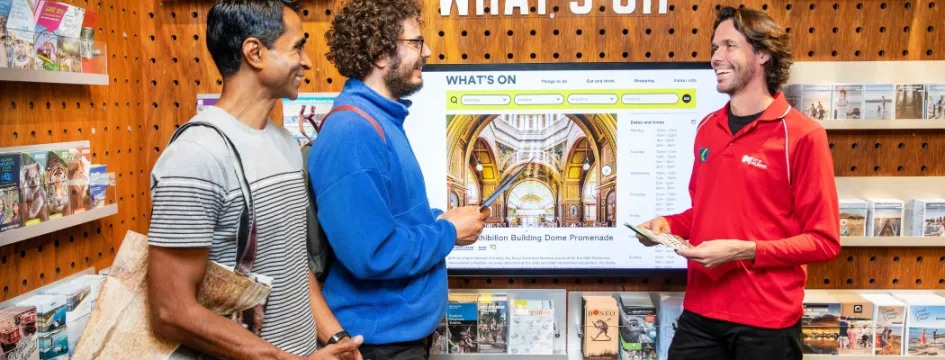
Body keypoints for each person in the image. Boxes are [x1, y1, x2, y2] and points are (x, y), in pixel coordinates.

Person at [145, 1, 362, 359]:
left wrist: (337, 338)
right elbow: (171, 312)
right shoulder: (196, 156)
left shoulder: (286, 144)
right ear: (255, 52)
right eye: (297, 47)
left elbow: (292, 265)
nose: (307, 61)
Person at [635, 6, 841, 360]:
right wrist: (668, 225)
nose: (716, 58)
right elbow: (704, 211)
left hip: (768, 324)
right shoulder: (707, 128)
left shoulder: (804, 135)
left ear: (763, 54)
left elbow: (824, 241)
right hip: (700, 314)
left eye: (729, 46)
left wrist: (745, 250)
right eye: (714, 48)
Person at [308, 0, 488, 359]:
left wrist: (440, 219)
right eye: (417, 43)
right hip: (379, 345)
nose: (429, 52)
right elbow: (372, 254)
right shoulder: (353, 132)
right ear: (380, 54)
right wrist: (448, 232)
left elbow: (391, 217)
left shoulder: (381, 120)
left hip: (397, 340)